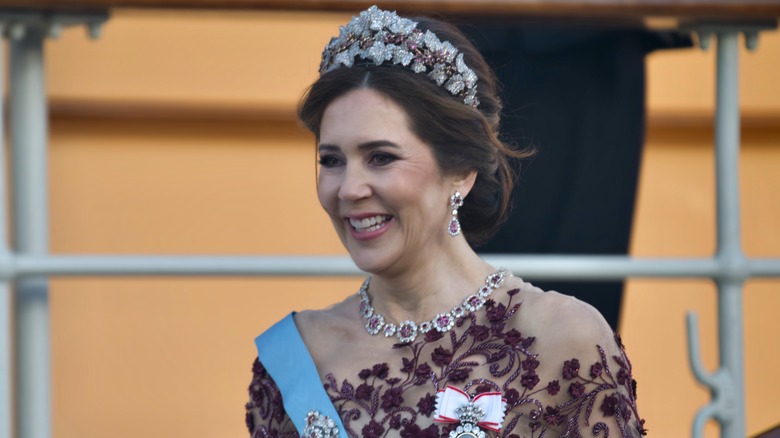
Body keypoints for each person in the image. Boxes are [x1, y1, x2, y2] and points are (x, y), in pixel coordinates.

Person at [246, 6, 645, 438]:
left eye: (381, 157)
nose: (348, 189)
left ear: (461, 170)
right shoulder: (297, 355)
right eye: (331, 160)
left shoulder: (562, 339)